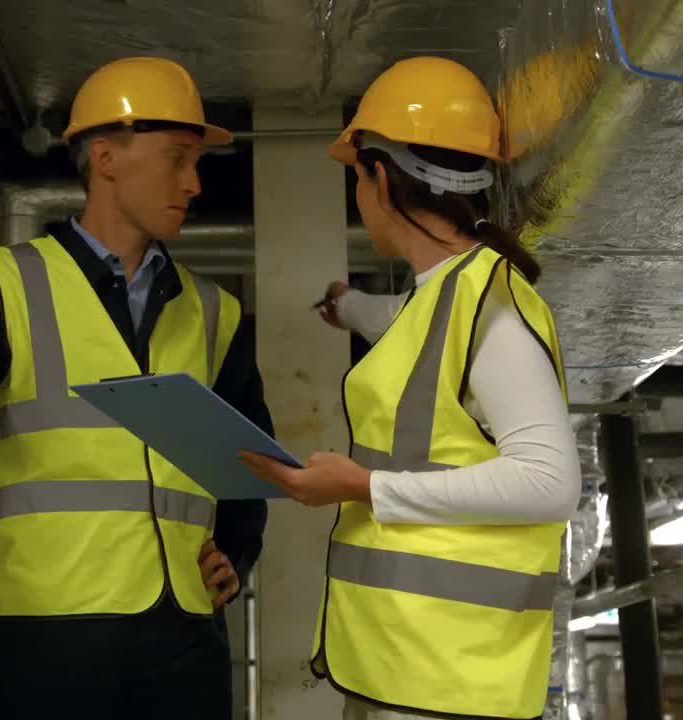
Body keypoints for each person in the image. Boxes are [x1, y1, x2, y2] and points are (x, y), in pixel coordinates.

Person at [0, 56, 272, 719]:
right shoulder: (6, 280)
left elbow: (245, 463)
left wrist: (235, 552)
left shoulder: (214, 313)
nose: (195, 182)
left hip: (183, 640)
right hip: (45, 634)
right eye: (178, 158)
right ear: (106, 157)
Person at [240, 56, 581, 720]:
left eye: (357, 176)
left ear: (379, 176)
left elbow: (549, 483)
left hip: (452, 678)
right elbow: (409, 332)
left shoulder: (490, 303)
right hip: (408, 667)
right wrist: (351, 307)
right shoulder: (444, 298)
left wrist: (362, 487)